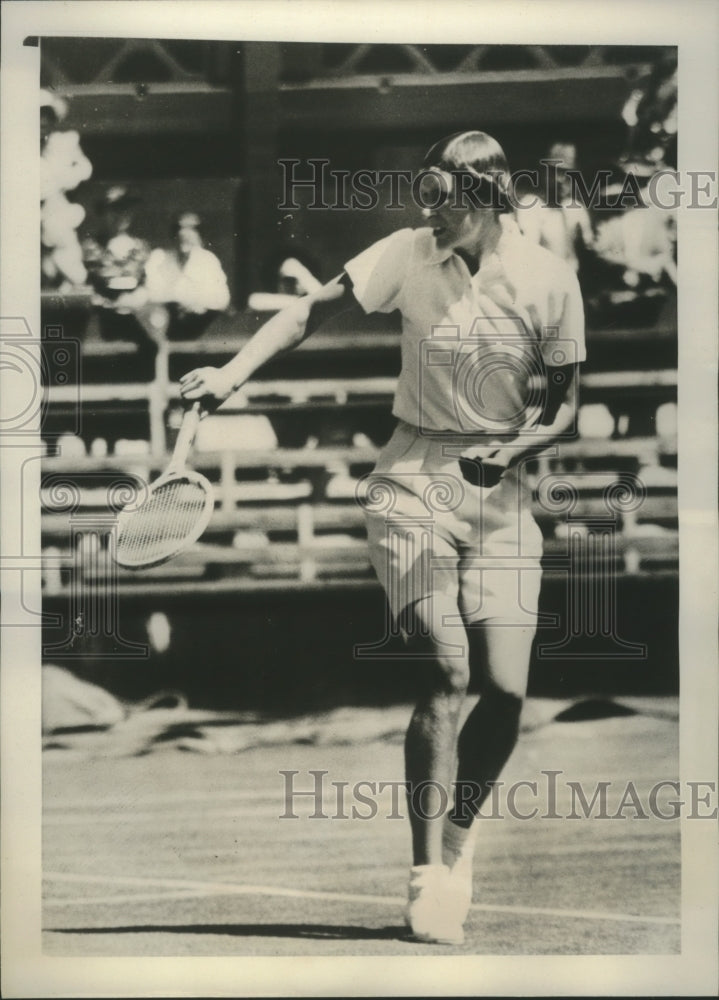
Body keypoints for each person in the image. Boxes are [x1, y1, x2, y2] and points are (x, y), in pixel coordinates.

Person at [180, 131, 585, 945]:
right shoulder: (406, 253)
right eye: (425, 197)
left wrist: (515, 448)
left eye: (444, 201)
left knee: (504, 692)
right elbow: (305, 310)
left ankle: (459, 843)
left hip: (499, 486)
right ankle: (424, 875)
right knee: (446, 667)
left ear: (486, 200)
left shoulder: (548, 279)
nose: (428, 215)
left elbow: (564, 407)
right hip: (410, 476)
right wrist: (229, 375)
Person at [144, 211, 231, 338]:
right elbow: (151, 293)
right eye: (180, 229)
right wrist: (182, 300)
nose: (184, 234)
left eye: (192, 229)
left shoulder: (208, 260)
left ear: (200, 236)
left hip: (197, 326)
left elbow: (222, 298)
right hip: (163, 326)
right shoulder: (158, 257)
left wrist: (198, 303)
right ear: (174, 234)